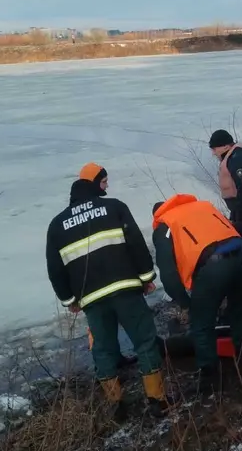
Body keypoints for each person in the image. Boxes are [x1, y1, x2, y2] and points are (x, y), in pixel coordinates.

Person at [45, 162, 173, 420]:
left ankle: (116, 403)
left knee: (102, 347)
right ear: (93, 188)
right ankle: (157, 400)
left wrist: (69, 299)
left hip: (91, 298)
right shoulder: (114, 207)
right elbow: (136, 243)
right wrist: (147, 277)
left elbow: (55, 268)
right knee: (145, 340)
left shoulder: (57, 225)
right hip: (126, 288)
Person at [151, 194, 242, 398]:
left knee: (201, 324)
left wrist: (186, 303)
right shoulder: (203, 207)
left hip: (213, 267)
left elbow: (169, 275)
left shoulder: (165, 226)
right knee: (240, 311)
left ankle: (210, 378)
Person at [208, 129, 242, 234]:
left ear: (225, 146)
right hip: (239, 211)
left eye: (215, 149)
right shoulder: (232, 157)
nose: (213, 153)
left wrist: (241, 218)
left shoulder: (237, 159)